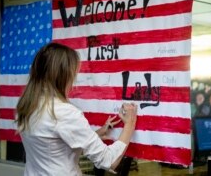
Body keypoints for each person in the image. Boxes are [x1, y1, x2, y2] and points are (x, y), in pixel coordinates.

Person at [16, 42, 137, 176]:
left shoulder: (27, 106)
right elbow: (108, 160)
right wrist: (130, 124)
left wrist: (96, 134)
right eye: (73, 73)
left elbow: (55, 145)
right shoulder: (63, 112)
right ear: (63, 76)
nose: (74, 80)